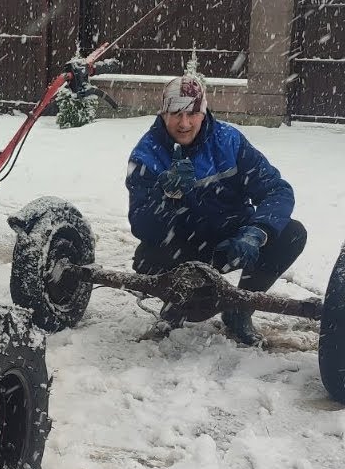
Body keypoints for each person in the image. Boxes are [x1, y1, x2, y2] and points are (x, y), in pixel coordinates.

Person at [125, 75, 306, 344]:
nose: (184, 123)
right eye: (175, 113)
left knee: (291, 233)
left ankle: (239, 309)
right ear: (163, 113)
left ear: (203, 111)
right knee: (169, 272)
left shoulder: (228, 142)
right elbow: (141, 224)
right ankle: (177, 303)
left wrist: (257, 232)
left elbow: (276, 189)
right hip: (179, 245)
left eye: (192, 113)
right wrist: (163, 195)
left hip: (231, 239)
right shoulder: (147, 155)